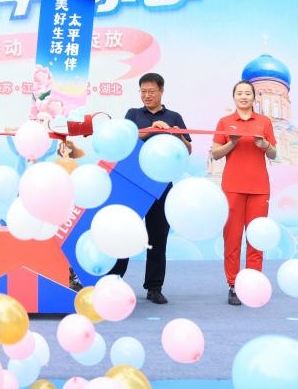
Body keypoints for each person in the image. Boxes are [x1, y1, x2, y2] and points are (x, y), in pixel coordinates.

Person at [108, 72, 191, 304]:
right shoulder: (133, 114)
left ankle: (154, 287)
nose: (147, 95)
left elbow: (188, 149)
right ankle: (113, 280)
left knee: (158, 237)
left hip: (161, 185)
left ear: (161, 91)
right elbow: (125, 142)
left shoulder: (174, 117)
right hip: (133, 183)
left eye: (151, 91)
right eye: (143, 91)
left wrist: (174, 134)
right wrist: (151, 129)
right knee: (125, 232)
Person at [210, 80, 277, 306]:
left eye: (248, 93)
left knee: (257, 237)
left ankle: (253, 283)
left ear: (254, 97)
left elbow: (273, 154)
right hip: (233, 188)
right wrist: (232, 143)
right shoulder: (225, 122)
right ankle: (233, 284)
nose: (244, 97)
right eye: (239, 93)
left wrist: (265, 145)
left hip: (259, 188)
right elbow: (215, 154)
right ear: (234, 97)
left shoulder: (264, 122)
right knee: (232, 238)